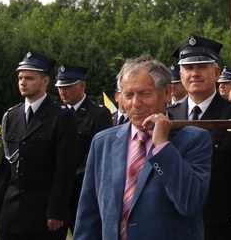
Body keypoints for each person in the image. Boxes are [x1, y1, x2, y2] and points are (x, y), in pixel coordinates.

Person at [73, 56, 212, 240]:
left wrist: (162, 146)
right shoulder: (103, 143)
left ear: (167, 93)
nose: (135, 104)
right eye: (128, 96)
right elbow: (89, 216)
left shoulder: (193, 139)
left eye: (145, 94)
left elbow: (190, 202)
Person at [166, 34, 231, 240]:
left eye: (202, 67)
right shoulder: (169, 118)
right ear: (180, 73)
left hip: (223, 230)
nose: (194, 73)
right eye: (188, 68)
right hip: (176, 229)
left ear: (215, 73)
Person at [0, 51, 79, 240]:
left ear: (45, 81)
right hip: (11, 212)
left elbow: (65, 168)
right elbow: (5, 167)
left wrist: (57, 210)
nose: (23, 82)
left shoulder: (61, 116)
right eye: (20, 78)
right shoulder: (11, 116)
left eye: (29, 78)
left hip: (43, 214)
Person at [55, 64, 112, 233]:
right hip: (57, 193)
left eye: (67, 87)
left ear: (82, 85)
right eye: (60, 87)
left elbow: (97, 156)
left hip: (81, 189)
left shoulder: (98, 114)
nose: (62, 92)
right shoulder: (56, 113)